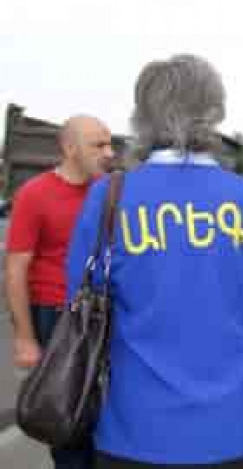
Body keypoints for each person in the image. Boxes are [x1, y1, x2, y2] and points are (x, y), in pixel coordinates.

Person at [65, 54, 243, 468]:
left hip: (136, 430)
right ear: (214, 111)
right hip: (232, 427)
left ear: (142, 117)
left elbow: (81, 297)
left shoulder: (109, 197)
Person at [5, 114, 114, 469]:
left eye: (110, 144)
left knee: (108, 415)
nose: (109, 153)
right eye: (98, 145)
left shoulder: (112, 192)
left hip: (106, 313)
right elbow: (16, 268)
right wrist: (25, 338)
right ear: (69, 148)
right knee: (66, 416)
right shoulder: (35, 194)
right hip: (57, 318)